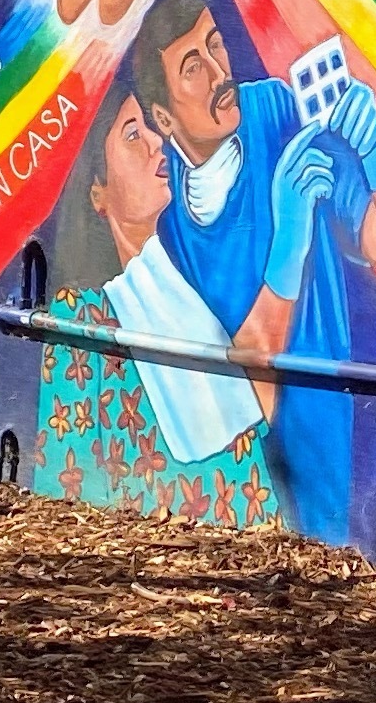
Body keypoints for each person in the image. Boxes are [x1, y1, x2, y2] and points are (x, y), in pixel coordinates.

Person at [134, 0, 376, 542]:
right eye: (191, 67)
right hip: (264, 496)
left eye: (215, 45)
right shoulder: (168, 232)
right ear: (164, 118)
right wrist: (287, 244)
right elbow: (246, 370)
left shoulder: (278, 114)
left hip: (351, 457)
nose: (218, 71)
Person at [31, 72, 286, 529]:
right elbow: (64, 490)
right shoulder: (81, 316)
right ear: (98, 194)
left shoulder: (179, 279)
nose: (155, 142)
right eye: (133, 135)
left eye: (150, 127)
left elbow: (247, 414)